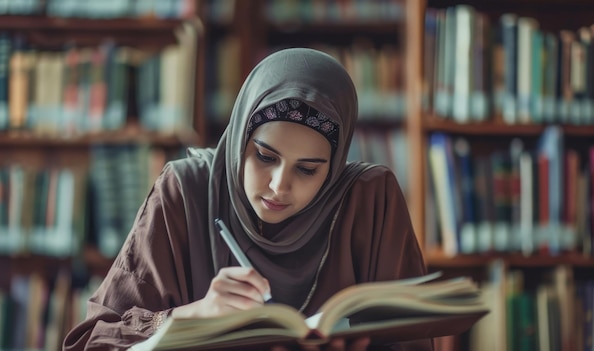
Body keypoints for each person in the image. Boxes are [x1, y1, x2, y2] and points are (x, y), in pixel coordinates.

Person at [63, 47, 432, 351]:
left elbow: (411, 341)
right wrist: (196, 315)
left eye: (307, 170)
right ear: (241, 140)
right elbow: (92, 343)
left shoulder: (369, 200)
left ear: (333, 168)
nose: (278, 187)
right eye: (265, 157)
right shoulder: (186, 191)